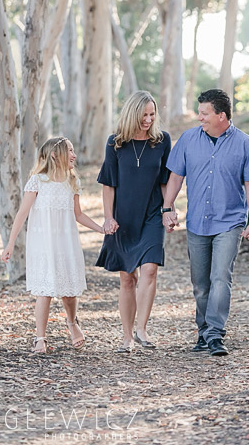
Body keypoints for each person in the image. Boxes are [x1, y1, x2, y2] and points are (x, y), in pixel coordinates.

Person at [163, 89, 249, 357]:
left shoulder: (244, 143)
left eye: (204, 113)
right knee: (200, 283)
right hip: (197, 222)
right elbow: (175, 177)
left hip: (230, 222)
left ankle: (215, 334)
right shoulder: (188, 140)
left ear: (222, 115)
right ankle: (204, 331)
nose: (200, 118)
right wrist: (167, 208)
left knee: (221, 277)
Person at [2, 137, 114, 353]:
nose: (74, 155)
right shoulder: (38, 181)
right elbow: (22, 214)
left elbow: (78, 215)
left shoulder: (72, 183)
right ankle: (40, 338)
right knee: (44, 291)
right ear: (55, 155)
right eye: (69, 151)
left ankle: (72, 323)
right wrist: (11, 243)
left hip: (66, 243)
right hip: (43, 244)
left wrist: (101, 229)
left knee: (69, 291)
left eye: (73, 151)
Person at [96, 91, 172, 353]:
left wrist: (168, 209)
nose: (149, 120)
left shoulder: (162, 141)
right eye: (144, 115)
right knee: (127, 277)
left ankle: (142, 329)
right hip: (123, 218)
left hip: (152, 214)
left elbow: (165, 180)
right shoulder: (115, 143)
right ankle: (127, 336)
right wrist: (108, 217)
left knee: (150, 269)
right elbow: (109, 184)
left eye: (152, 114)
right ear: (132, 114)